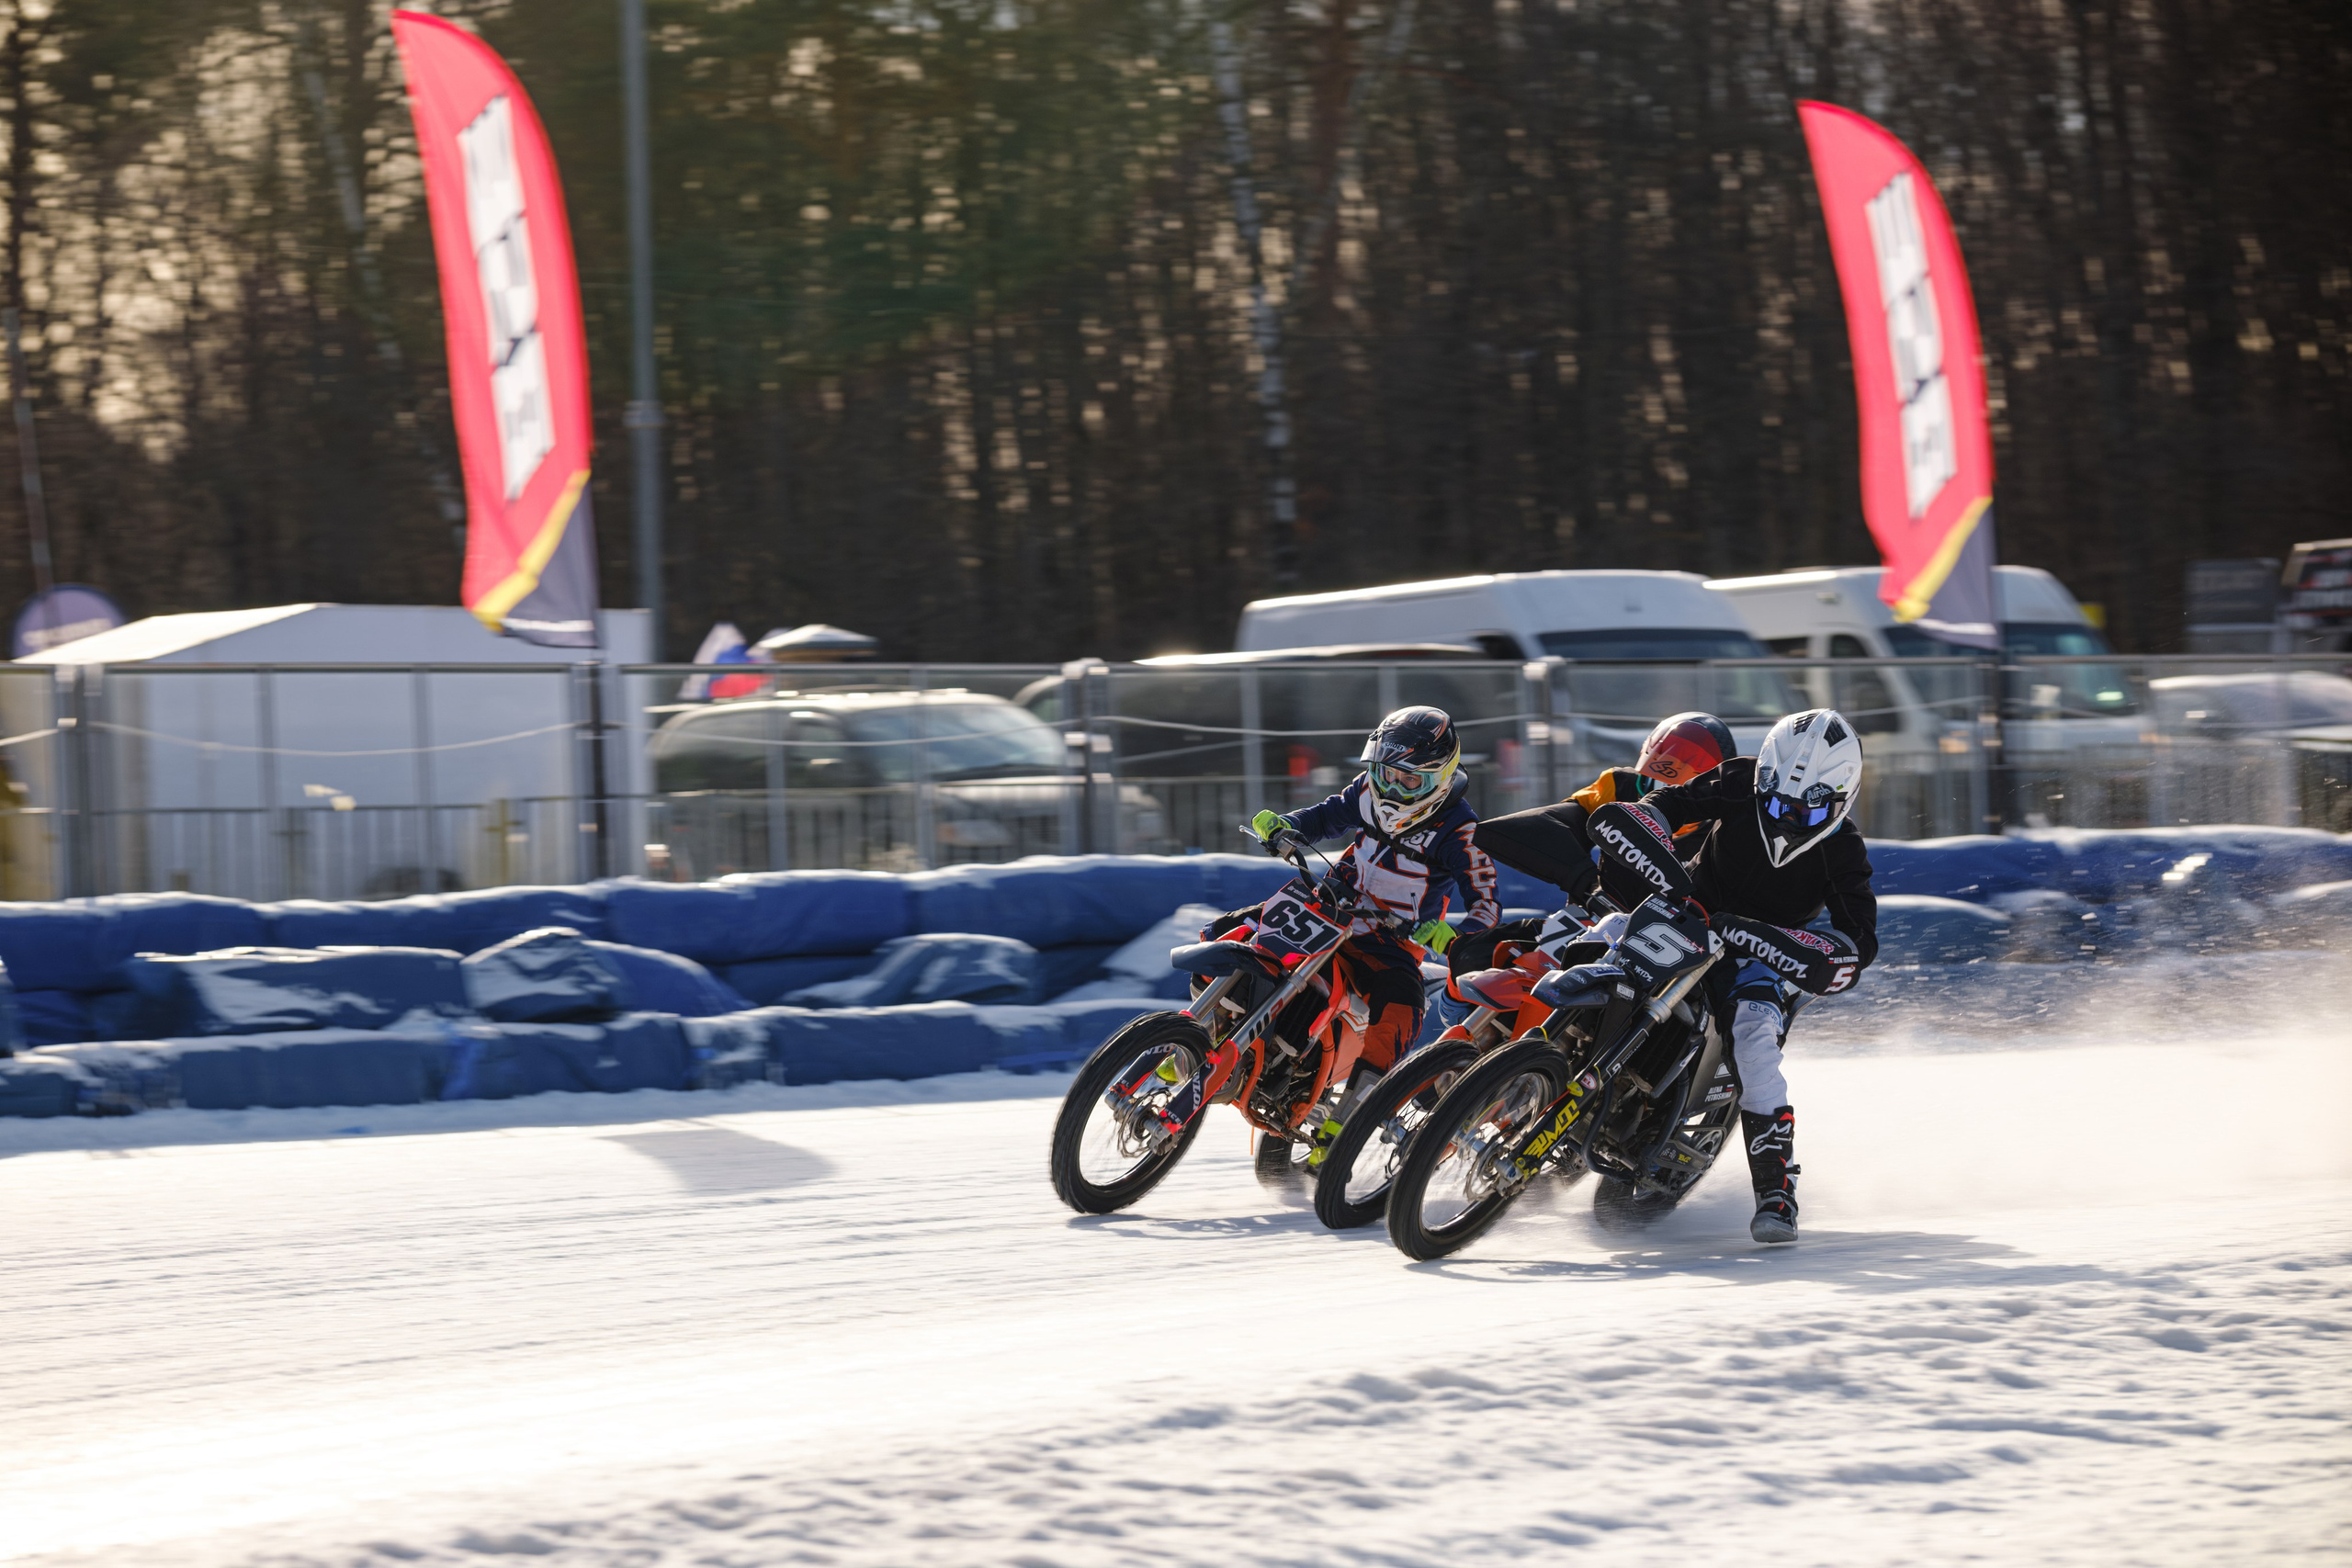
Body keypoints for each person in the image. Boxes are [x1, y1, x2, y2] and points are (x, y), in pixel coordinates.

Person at [1572, 708, 1875, 1245]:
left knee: (1756, 1043)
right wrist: (1655, 851)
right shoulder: (1736, 779)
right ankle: (1516, 1071)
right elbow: (1656, 810)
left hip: (1761, 953)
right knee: (1585, 942)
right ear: (1763, 779)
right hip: (1688, 912)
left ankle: (1776, 1193)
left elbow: (1857, 944)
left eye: (1807, 811)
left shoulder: (1845, 850)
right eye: (1778, 802)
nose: (1788, 817)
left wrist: (1782, 944)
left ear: (1841, 798)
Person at [1237, 706, 1502, 1136]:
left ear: (1441, 775)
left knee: (1402, 1006)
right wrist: (1286, 826)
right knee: (1236, 926)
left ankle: (1353, 1117)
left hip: (1391, 938)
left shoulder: (1461, 831)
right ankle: (1199, 1030)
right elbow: (1325, 817)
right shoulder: (1366, 791)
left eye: (1409, 779)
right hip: (1326, 906)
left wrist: (1452, 935)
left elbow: (1486, 910)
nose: (1392, 787)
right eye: (1385, 773)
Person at [1471, 712, 1737, 910]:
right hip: (1597, 926)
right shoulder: (1617, 786)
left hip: (1681, 946)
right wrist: (1588, 886)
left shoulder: (1733, 823)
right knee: (1477, 955)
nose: (1661, 797)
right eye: (1654, 784)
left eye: (1675, 790)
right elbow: (1541, 826)